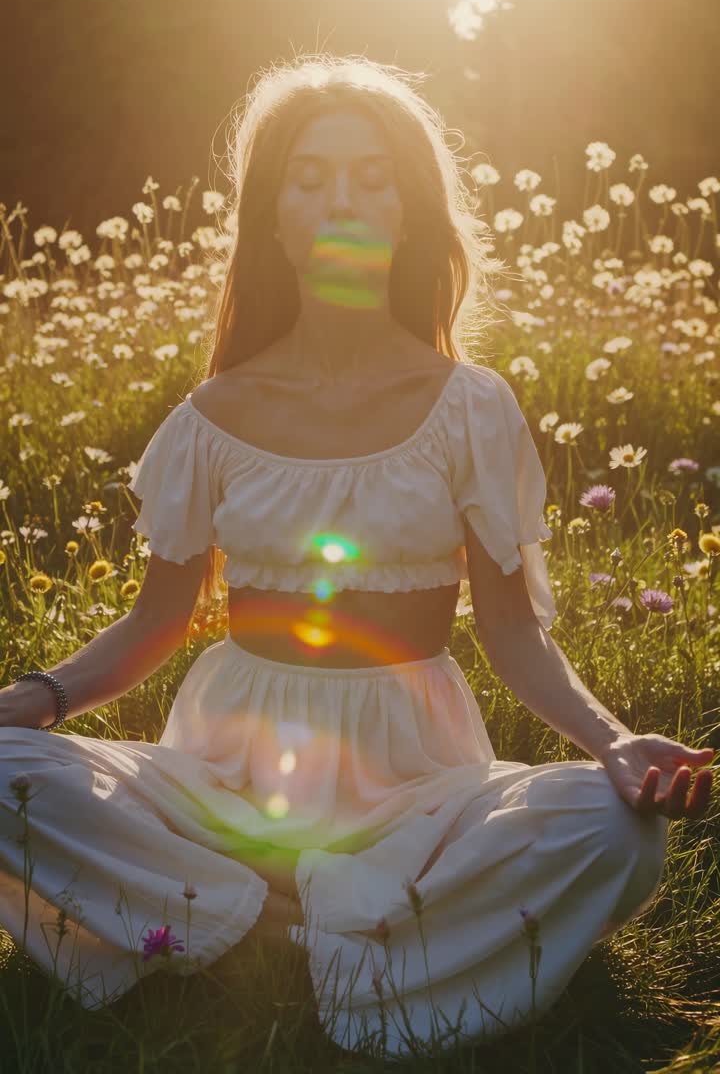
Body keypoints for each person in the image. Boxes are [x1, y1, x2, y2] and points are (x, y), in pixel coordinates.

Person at [0, 55, 713, 1058]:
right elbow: (159, 618)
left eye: (374, 177)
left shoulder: (473, 406)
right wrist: (34, 695)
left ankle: (261, 930)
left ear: (410, 212)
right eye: (312, 175)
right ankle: (308, 926)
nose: (343, 197)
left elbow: (511, 629)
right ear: (274, 217)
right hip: (227, 787)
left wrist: (613, 742)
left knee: (619, 829)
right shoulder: (212, 415)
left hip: (417, 790)